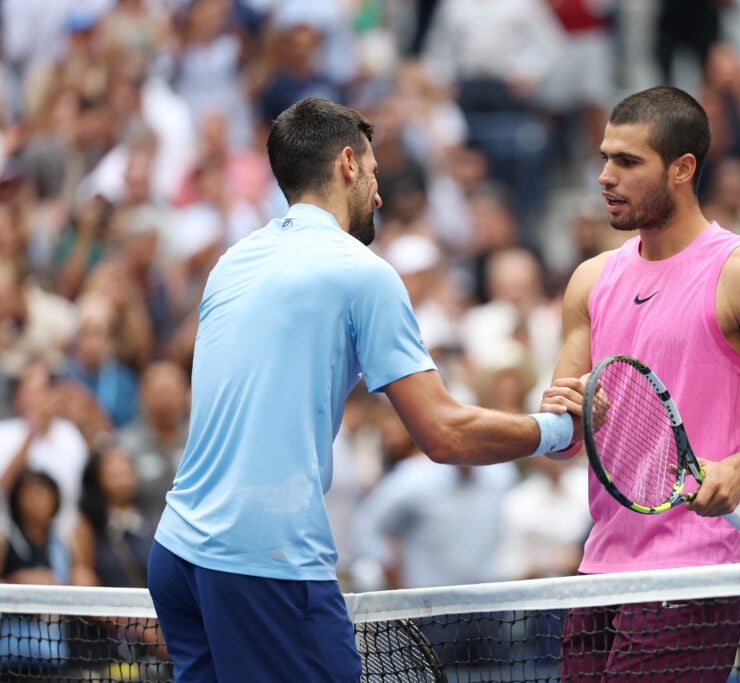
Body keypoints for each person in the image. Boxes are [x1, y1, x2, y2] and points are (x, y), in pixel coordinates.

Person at [145, 97, 578, 683]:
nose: (378, 194)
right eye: (374, 174)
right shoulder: (362, 272)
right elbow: (444, 433)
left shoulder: (233, 260)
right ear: (348, 164)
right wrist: (559, 431)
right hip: (263, 562)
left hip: (176, 555)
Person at [546, 86, 740, 683]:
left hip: (699, 569)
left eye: (627, 162)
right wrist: (566, 418)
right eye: (604, 158)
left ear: (683, 168)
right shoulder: (589, 281)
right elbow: (568, 438)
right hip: (601, 566)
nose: (604, 176)